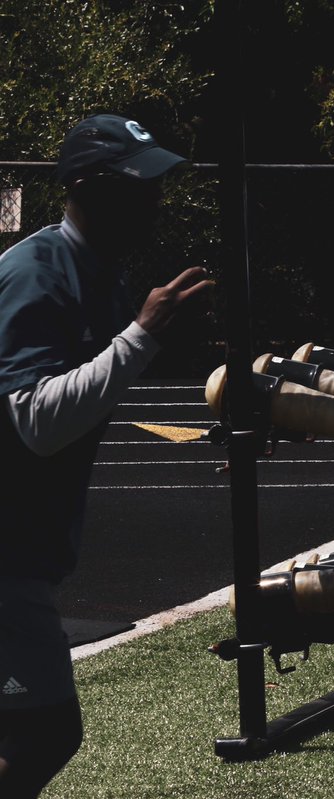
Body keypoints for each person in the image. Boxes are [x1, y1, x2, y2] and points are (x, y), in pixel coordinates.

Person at [0, 114, 214, 797]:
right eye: (139, 187)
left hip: (22, 552)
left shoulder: (98, 273)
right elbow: (35, 419)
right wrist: (140, 338)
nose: (155, 202)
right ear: (89, 189)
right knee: (45, 729)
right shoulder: (36, 273)